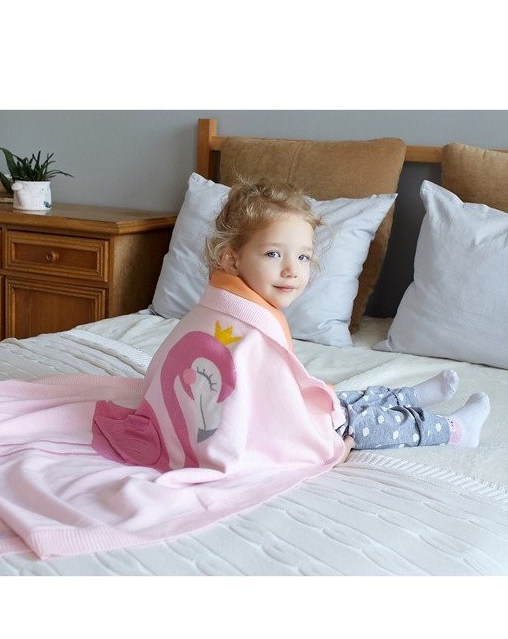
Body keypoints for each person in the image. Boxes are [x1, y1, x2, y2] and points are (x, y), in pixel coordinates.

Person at [204, 179, 490, 459]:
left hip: (287, 413)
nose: (292, 270)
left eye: (303, 257)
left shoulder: (226, 308)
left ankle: (406, 398)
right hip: (288, 431)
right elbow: (270, 425)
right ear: (232, 259)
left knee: (336, 400)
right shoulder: (252, 329)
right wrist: (329, 449)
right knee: (361, 421)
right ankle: (454, 430)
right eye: (273, 253)